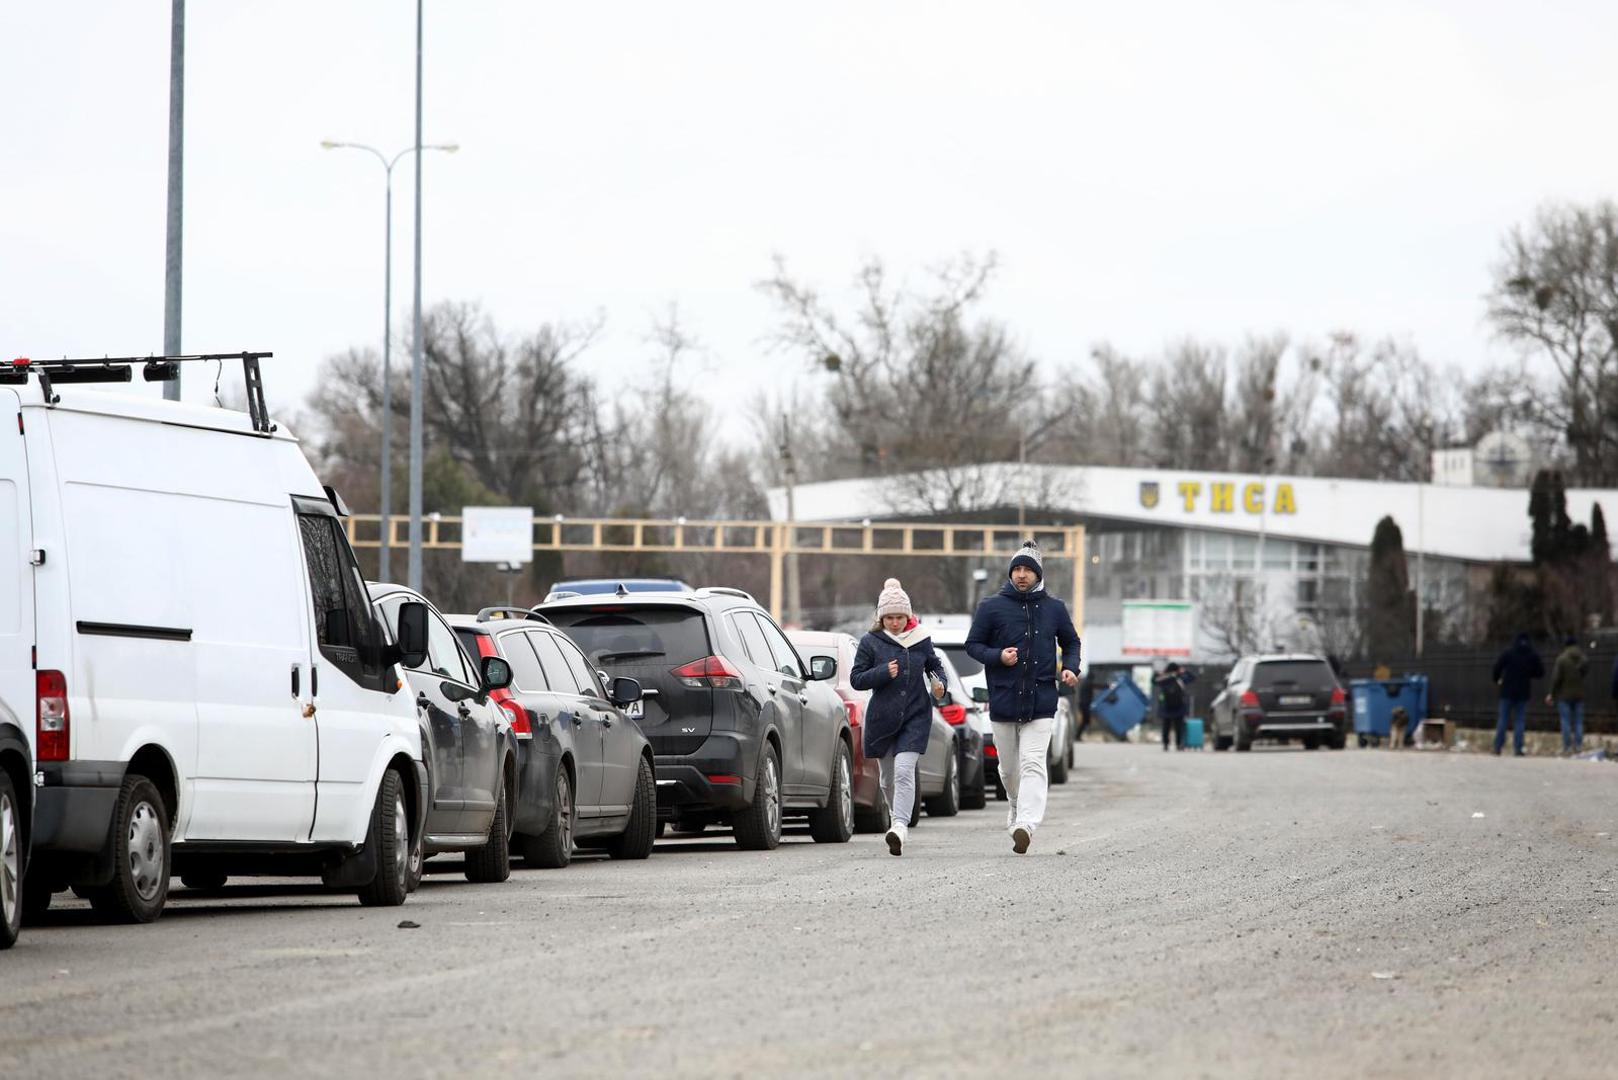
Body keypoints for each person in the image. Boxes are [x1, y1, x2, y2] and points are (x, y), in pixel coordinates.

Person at [965, 540, 1082, 855]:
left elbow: (1071, 642)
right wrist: (998, 656)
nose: (1021, 575)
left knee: (1033, 762)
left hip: (1042, 699)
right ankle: (1015, 804)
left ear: (1038, 574)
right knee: (1008, 769)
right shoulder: (991, 607)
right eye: (1016, 569)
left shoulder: (1054, 608)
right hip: (1004, 699)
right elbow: (973, 645)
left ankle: (1026, 824)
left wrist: (1071, 667)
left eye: (1027, 570)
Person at [850, 578, 946, 857]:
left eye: (900, 617)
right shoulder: (870, 642)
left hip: (915, 716)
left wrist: (939, 683)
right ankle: (896, 819)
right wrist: (882, 673)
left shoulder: (920, 639)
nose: (895, 622)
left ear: (908, 616)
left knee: (904, 771)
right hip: (882, 719)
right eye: (889, 617)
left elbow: (935, 666)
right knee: (887, 779)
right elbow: (857, 679)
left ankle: (901, 826)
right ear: (881, 618)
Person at [1491, 632, 1544, 757]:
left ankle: (1498, 747)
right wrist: (1529, 673)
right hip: (1523, 691)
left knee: (1503, 719)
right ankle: (1518, 748)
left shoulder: (1508, 653)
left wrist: (1497, 679)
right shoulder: (1532, 655)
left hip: (1507, 690)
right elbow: (1540, 672)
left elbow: (1497, 668)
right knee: (1520, 721)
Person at [1546, 634, 1588, 754]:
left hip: (1564, 695)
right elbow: (1584, 673)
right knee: (1579, 721)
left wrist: (1551, 694)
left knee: (1565, 721)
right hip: (1579, 694)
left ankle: (1567, 747)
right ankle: (1578, 746)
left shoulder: (1562, 659)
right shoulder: (1583, 659)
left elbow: (1556, 679)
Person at [1154, 662, 1195, 751]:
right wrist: (1184, 671)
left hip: (1166, 707)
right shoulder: (1180, 678)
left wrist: (1158, 673)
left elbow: (1154, 681)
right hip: (1179, 707)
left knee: (1166, 727)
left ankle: (1165, 744)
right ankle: (1179, 744)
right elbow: (1192, 678)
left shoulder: (1164, 679)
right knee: (1178, 727)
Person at [1076, 671, 1096, 741]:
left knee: (1085, 721)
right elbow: (1096, 685)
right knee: (1086, 721)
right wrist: (1108, 685)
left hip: (1083, 704)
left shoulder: (1085, 682)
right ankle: (1079, 735)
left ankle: (1078, 735)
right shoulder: (1088, 682)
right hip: (1085, 704)